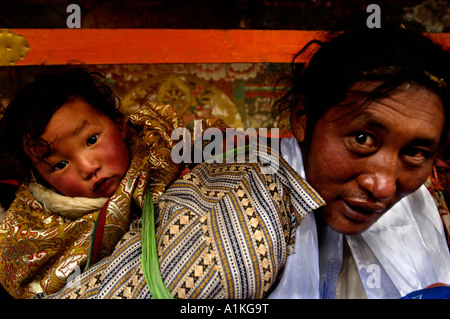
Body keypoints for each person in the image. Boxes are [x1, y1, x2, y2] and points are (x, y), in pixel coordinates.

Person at [35, 25, 450, 299]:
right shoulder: (239, 229)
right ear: (303, 119)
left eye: (415, 152)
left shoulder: (421, 204)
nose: (383, 185)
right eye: (361, 138)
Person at [0, 65, 223, 298]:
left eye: (92, 139)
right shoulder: (33, 236)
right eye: (60, 165)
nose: (88, 167)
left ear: (119, 125)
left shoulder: (171, 147)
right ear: (39, 178)